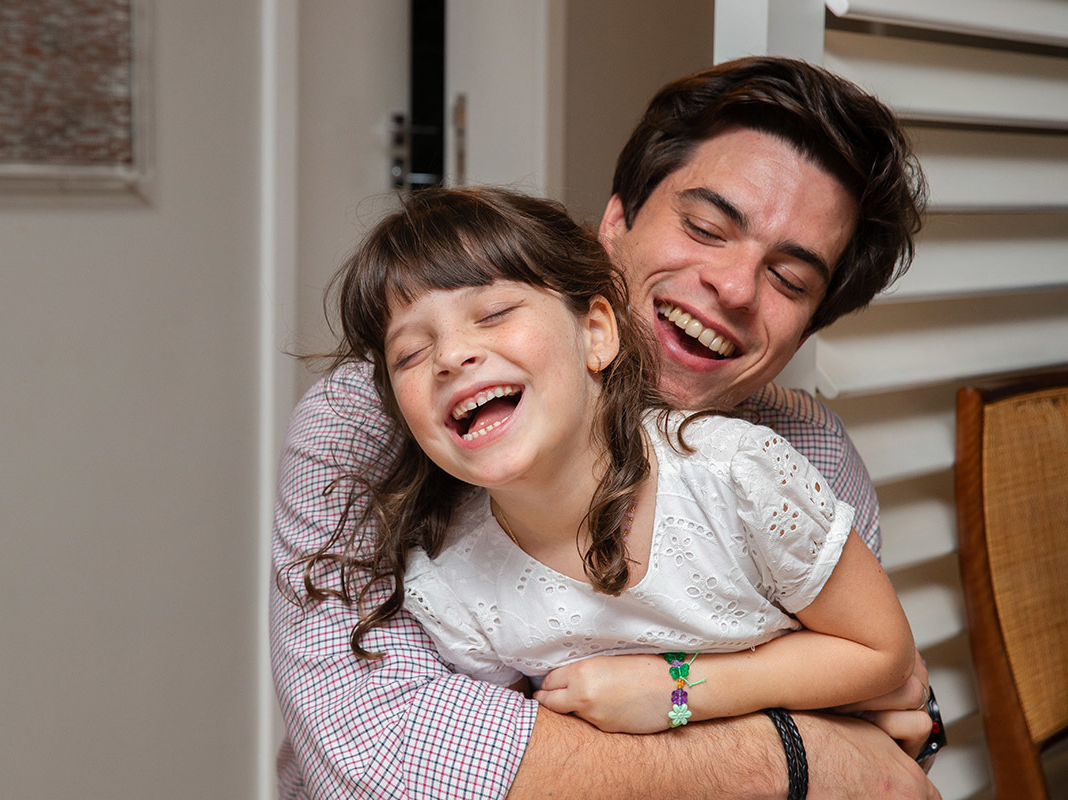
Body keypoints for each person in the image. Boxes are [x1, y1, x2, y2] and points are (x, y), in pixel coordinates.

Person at [272, 56, 934, 798]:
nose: (734, 288)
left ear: (807, 327)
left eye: (789, 279)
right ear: (615, 224)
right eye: (706, 227)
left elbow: (896, 725)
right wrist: (797, 751)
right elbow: (381, 758)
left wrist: (859, 732)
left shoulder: (796, 456)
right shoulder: (376, 419)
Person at [299, 185, 917, 738]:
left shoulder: (735, 475)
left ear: (596, 333)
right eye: (410, 353)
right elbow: (533, 757)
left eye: (493, 314)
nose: (450, 356)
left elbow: (883, 656)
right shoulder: (452, 589)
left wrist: (676, 692)